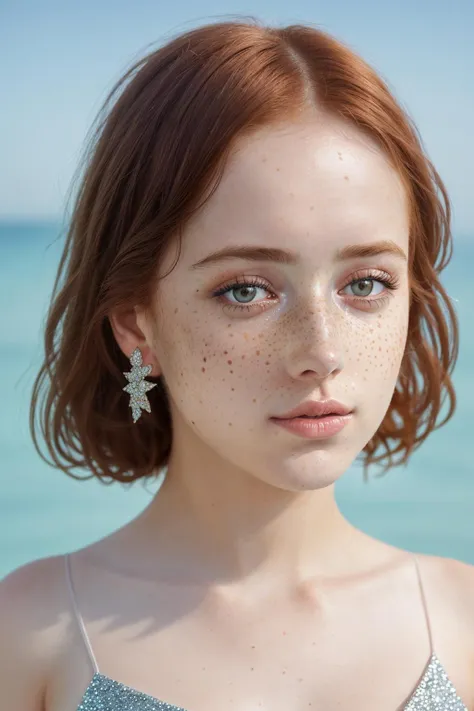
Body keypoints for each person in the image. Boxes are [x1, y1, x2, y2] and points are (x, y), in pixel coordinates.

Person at [1, 18, 473, 711]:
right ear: (137, 320)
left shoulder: (462, 622)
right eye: (246, 290)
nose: (322, 351)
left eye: (365, 283)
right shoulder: (32, 634)